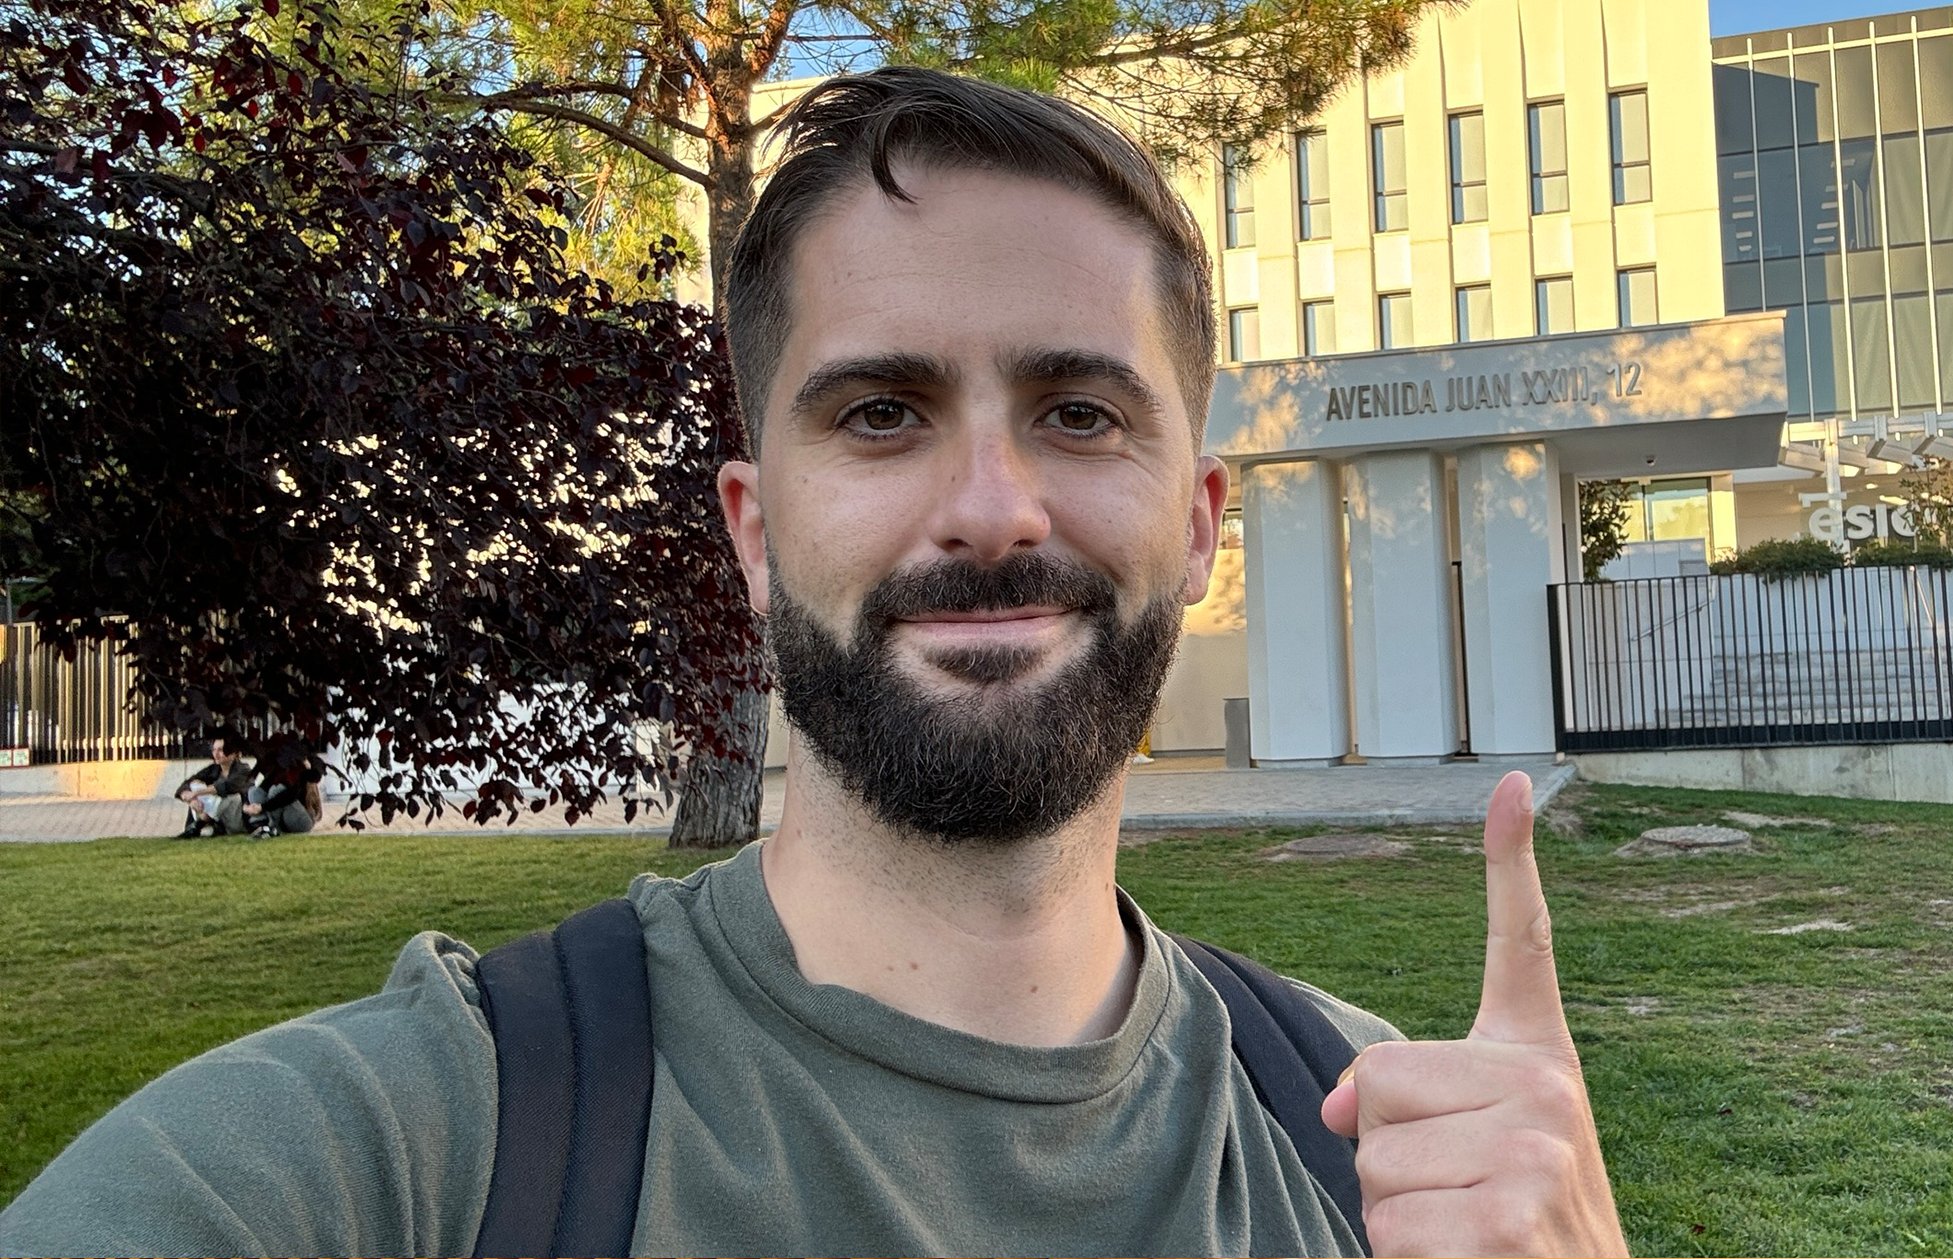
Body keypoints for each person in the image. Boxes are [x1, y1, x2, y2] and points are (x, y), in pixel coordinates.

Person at [0, 69, 1625, 1257]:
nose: (992, 509)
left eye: (1080, 410)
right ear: (759, 527)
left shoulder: (1382, 1141)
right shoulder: (401, 1163)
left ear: (1200, 523)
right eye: (881, 413)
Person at [171, 734, 252, 840]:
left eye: (221, 750)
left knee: (230, 797)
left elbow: (225, 787)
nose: (216, 754)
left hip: (236, 818)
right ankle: (204, 825)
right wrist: (190, 799)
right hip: (217, 819)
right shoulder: (213, 769)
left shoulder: (243, 770)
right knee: (195, 785)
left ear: (233, 754)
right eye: (214, 750)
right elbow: (186, 784)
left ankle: (199, 824)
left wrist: (197, 793)